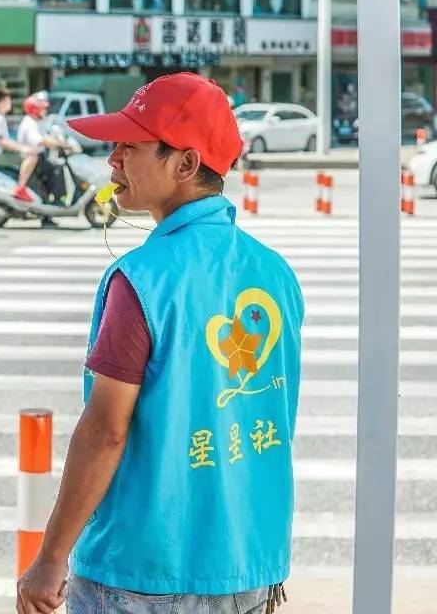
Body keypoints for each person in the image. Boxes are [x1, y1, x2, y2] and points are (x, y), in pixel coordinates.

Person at [16, 73, 303, 614]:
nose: (113, 160)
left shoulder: (143, 278)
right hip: (252, 564)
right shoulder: (274, 272)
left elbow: (105, 431)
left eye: (130, 146)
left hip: (142, 572)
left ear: (186, 164)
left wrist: (51, 555)